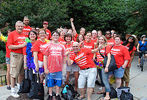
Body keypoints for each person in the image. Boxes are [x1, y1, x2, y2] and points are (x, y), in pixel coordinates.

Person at [43, 31, 66, 100]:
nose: (55, 36)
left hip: (59, 67)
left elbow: (64, 57)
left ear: (59, 36)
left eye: (57, 35)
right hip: (50, 67)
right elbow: (45, 57)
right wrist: (46, 68)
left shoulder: (62, 46)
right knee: (50, 81)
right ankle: (50, 95)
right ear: (51, 36)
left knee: (58, 82)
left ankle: (57, 94)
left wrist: (64, 67)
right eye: (54, 35)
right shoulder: (48, 45)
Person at [7, 21, 27, 98]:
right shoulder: (12, 34)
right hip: (15, 55)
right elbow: (9, 46)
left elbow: (26, 45)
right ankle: (12, 90)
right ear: (15, 26)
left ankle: (19, 88)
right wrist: (21, 45)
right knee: (14, 73)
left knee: (21, 73)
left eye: (21, 26)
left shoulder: (24, 35)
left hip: (23, 55)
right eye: (19, 26)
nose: (20, 27)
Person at [95, 35, 111, 100]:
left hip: (104, 65)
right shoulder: (97, 47)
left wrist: (107, 66)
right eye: (100, 39)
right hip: (98, 64)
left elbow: (109, 58)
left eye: (102, 39)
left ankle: (107, 95)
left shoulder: (106, 47)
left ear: (104, 40)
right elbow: (95, 55)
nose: (101, 41)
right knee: (101, 78)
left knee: (105, 80)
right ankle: (103, 90)